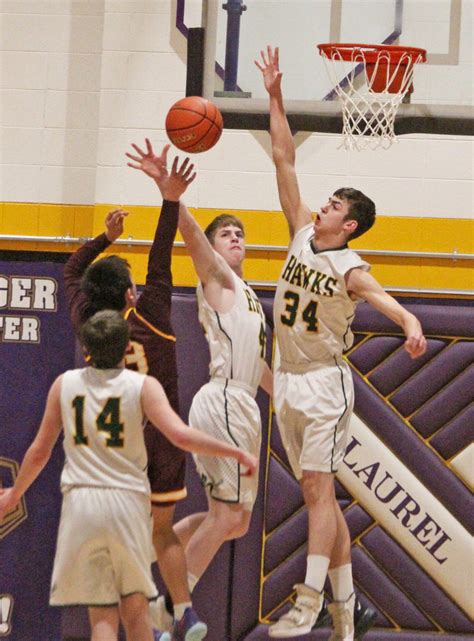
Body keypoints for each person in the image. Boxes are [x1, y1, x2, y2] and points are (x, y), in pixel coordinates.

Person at [256, 46, 427, 640]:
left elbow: (379, 296)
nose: (322, 204)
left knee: (316, 492)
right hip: (288, 378)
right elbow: (283, 156)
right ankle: (345, 616)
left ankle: (308, 600)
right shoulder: (302, 231)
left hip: (326, 384)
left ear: (347, 224)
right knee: (320, 499)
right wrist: (276, 97)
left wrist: (408, 322)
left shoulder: (350, 263)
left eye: (333, 205)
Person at [0, 311, 257, 641]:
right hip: (125, 505)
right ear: (126, 349)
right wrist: (234, 452)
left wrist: (15, 493)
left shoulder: (64, 385)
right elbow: (180, 435)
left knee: (102, 620)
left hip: (82, 508)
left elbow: (39, 451)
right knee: (135, 615)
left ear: (86, 349)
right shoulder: (142, 386)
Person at [127, 142, 273, 632]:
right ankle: (171, 610)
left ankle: (153, 555)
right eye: (226, 233)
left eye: (240, 233)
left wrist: (288, 396)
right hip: (224, 402)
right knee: (228, 513)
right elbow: (191, 241)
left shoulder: (249, 296)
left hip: (244, 402)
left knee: (234, 520)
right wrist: (172, 196)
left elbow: (259, 366)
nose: (235, 238)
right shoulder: (219, 280)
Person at [64, 144, 205, 641]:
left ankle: (157, 619)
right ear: (130, 295)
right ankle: (183, 608)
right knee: (161, 530)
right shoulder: (151, 318)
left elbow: (70, 274)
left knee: (111, 569)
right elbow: (161, 260)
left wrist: (103, 238)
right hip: (163, 443)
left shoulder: (87, 327)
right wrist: (168, 198)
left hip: (116, 453)